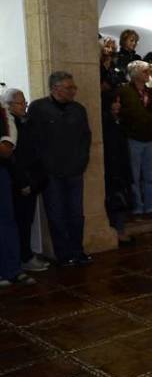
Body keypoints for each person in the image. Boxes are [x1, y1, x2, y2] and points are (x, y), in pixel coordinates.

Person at [27, 72, 93, 267]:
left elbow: (85, 138)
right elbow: (34, 140)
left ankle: (77, 251)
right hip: (51, 173)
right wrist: (44, 165)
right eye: (69, 88)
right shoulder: (38, 108)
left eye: (74, 87)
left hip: (74, 171)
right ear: (55, 88)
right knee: (56, 215)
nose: (73, 91)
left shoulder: (78, 109)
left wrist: (82, 162)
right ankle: (63, 255)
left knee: (76, 214)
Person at [2, 88, 50, 270]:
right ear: (8, 106)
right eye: (20, 103)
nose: (24, 106)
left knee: (26, 221)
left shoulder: (26, 123)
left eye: (25, 102)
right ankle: (20, 259)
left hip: (31, 179)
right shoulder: (8, 125)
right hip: (17, 182)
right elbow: (13, 157)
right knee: (16, 222)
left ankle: (24, 256)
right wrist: (22, 182)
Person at [117, 60, 152, 218]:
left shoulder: (151, 93)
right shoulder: (125, 92)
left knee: (150, 175)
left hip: (150, 140)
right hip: (133, 139)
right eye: (145, 72)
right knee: (134, 176)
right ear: (136, 74)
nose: (148, 74)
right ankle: (137, 207)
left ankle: (149, 206)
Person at [0, 103, 36, 286]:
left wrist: (5, 144)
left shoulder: (1, 109)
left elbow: (8, 142)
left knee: (7, 222)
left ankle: (12, 269)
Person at [102, 94, 134, 245]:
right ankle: (117, 232)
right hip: (112, 168)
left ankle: (120, 230)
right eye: (115, 101)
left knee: (121, 200)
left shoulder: (120, 121)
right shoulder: (106, 123)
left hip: (121, 167)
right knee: (115, 200)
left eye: (119, 102)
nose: (118, 105)